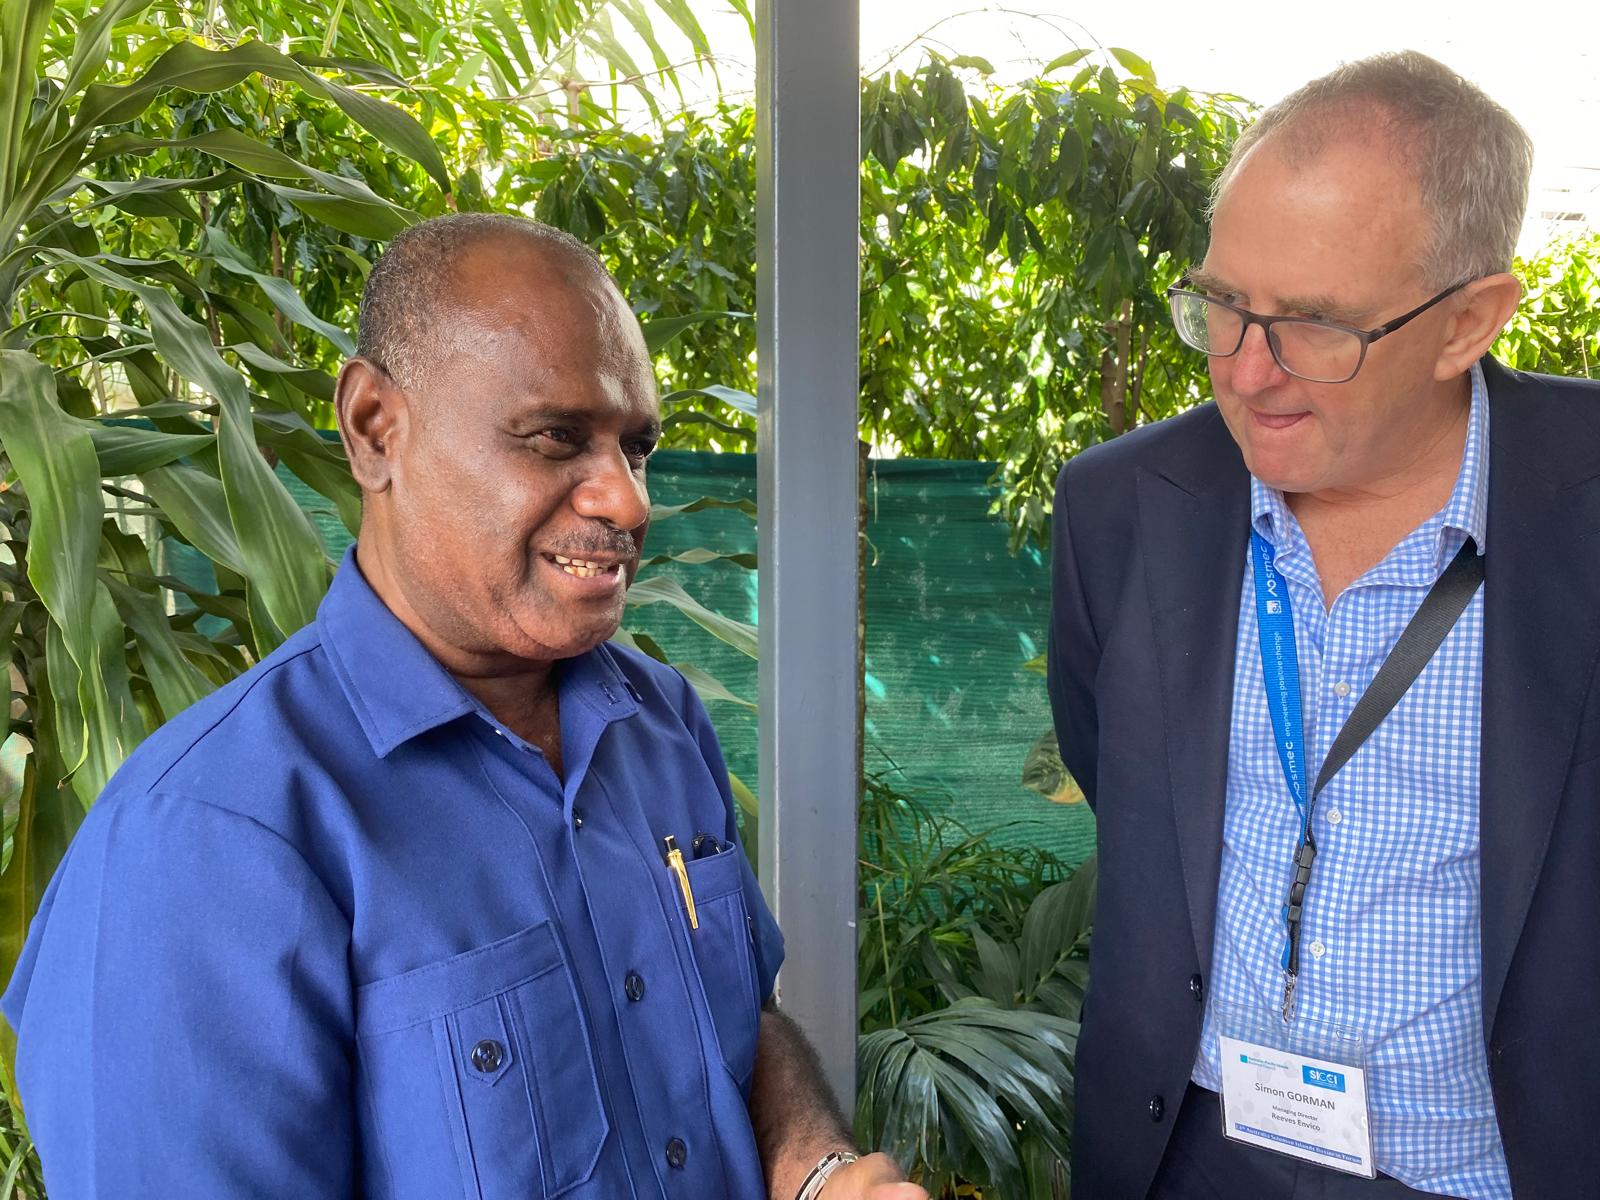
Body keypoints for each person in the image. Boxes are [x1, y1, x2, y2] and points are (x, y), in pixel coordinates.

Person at [3, 213, 926, 1200]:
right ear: (373, 429)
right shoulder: (203, 839)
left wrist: (818, 1172)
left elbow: (739, 1024)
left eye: (637, 448)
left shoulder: (656, 724)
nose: (625, 502)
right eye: (554, 439)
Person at [1047, 52, 1599, 1200]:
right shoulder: (1122, 507)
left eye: (1313, 327)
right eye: (1223, 307)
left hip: (1495, 1168)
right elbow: (1121, 779)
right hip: (1184, 1150)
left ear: (1467, 323)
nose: (1247, 374)